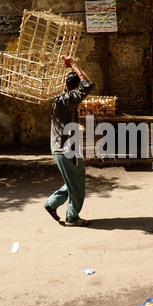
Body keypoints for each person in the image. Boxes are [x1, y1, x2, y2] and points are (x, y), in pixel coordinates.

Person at [44, 56, 94, 226]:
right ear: (76, 87)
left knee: (75, 180)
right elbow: (88, 84)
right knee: (77, 184)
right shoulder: (68, 100)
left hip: (64, 149)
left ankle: (52, 204)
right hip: (64, 150)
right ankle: (71, 217)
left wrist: (73, 70)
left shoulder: (61, 98)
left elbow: (84, 84)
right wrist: (73, 65)